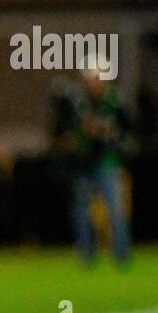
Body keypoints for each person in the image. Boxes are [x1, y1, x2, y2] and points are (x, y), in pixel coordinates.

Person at [52, 61, 133, 265]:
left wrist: (104, 133)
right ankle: (86, 253)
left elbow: (127, 131)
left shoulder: (115, 101)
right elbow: (64, 130)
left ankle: (121, 253)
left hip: (107, 162)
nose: (94, 82)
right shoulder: (79, 101)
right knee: (81, 210)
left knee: (115, 209)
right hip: (84, 163)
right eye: (91, 78)